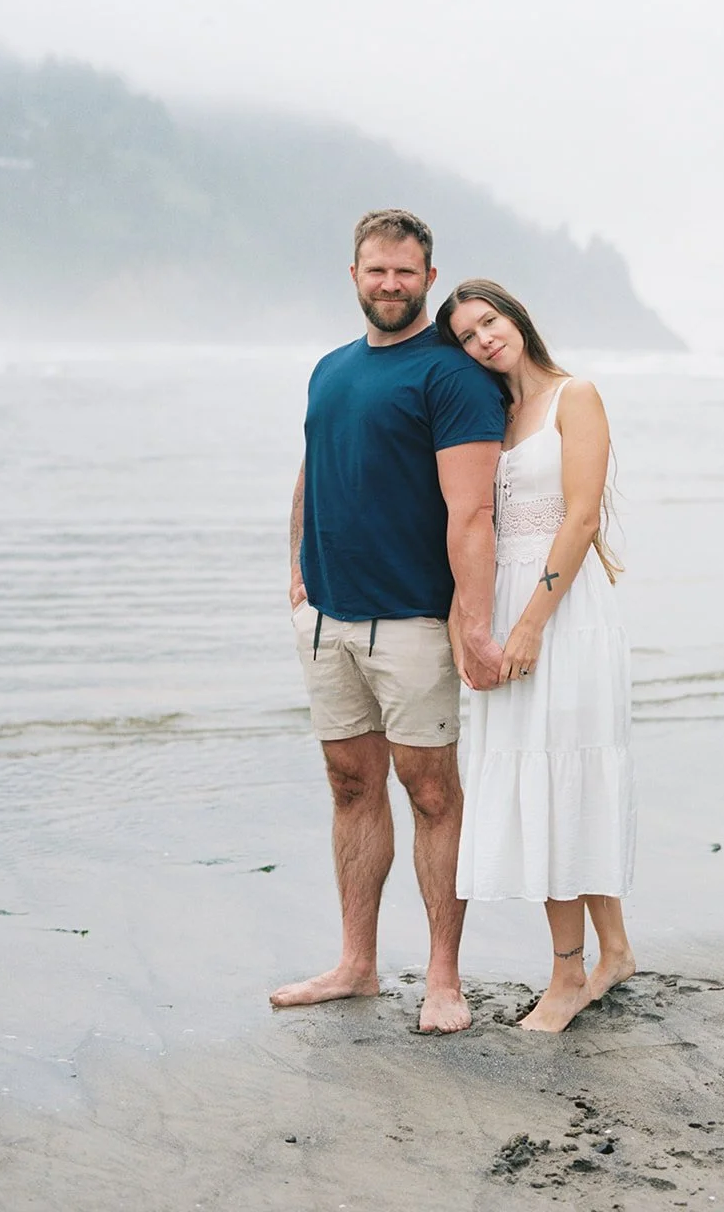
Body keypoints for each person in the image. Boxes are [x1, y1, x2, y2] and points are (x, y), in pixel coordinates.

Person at [269, 211, 506, 1034]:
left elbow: (472, 512)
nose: (391, 285)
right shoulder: (330, 369)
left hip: (411, 621)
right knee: (349, 784)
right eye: (377, 271)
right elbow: (313, 464)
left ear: (430, 279)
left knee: (431, 790)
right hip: (329, 619)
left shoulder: (452, 376)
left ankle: (443, 978)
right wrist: (297, 560)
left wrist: (470, 624)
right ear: (354, 275)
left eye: (407, 273)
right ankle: (357, 965)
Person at [436, 279, 637, 1033]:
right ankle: (614, 949)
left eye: (490, 321)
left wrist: (528, 626)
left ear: (516, 319)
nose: (484, 338)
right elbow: (470, 519)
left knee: (563, 776)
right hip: (504, 606)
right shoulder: (492, 414)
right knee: (552, 773)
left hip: (564, 612)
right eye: (466, 335)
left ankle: (566, 976)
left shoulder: (572, 395)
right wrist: (469, 620)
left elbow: (581, 516)